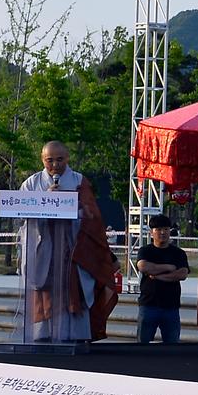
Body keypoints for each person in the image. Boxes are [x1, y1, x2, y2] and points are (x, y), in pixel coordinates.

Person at [17, 141, 119, 342]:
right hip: (43, 248)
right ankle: (43, 334)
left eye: (59, 159)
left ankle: (75, 335)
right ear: (42, 159)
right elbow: (22, 215)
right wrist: (46, 201)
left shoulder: (79, 181)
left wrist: (74, 206)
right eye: (49, 160)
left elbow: (93, 217)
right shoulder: (31, 183)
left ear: (68, 158)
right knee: (45, 293)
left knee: (76, 291)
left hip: (74, 250)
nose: (55, 165)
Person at [133, 214, 190, 344]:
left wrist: (158, 276)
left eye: (165, 229)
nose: (163, 232)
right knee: (142, 344)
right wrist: (169, 267)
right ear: (151, 232)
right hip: (148, 305)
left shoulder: (178, 253)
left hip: (171, 306)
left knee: (172, 345)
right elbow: (143, 266)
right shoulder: (145, 251)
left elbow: (182, 274)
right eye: (158, 229)